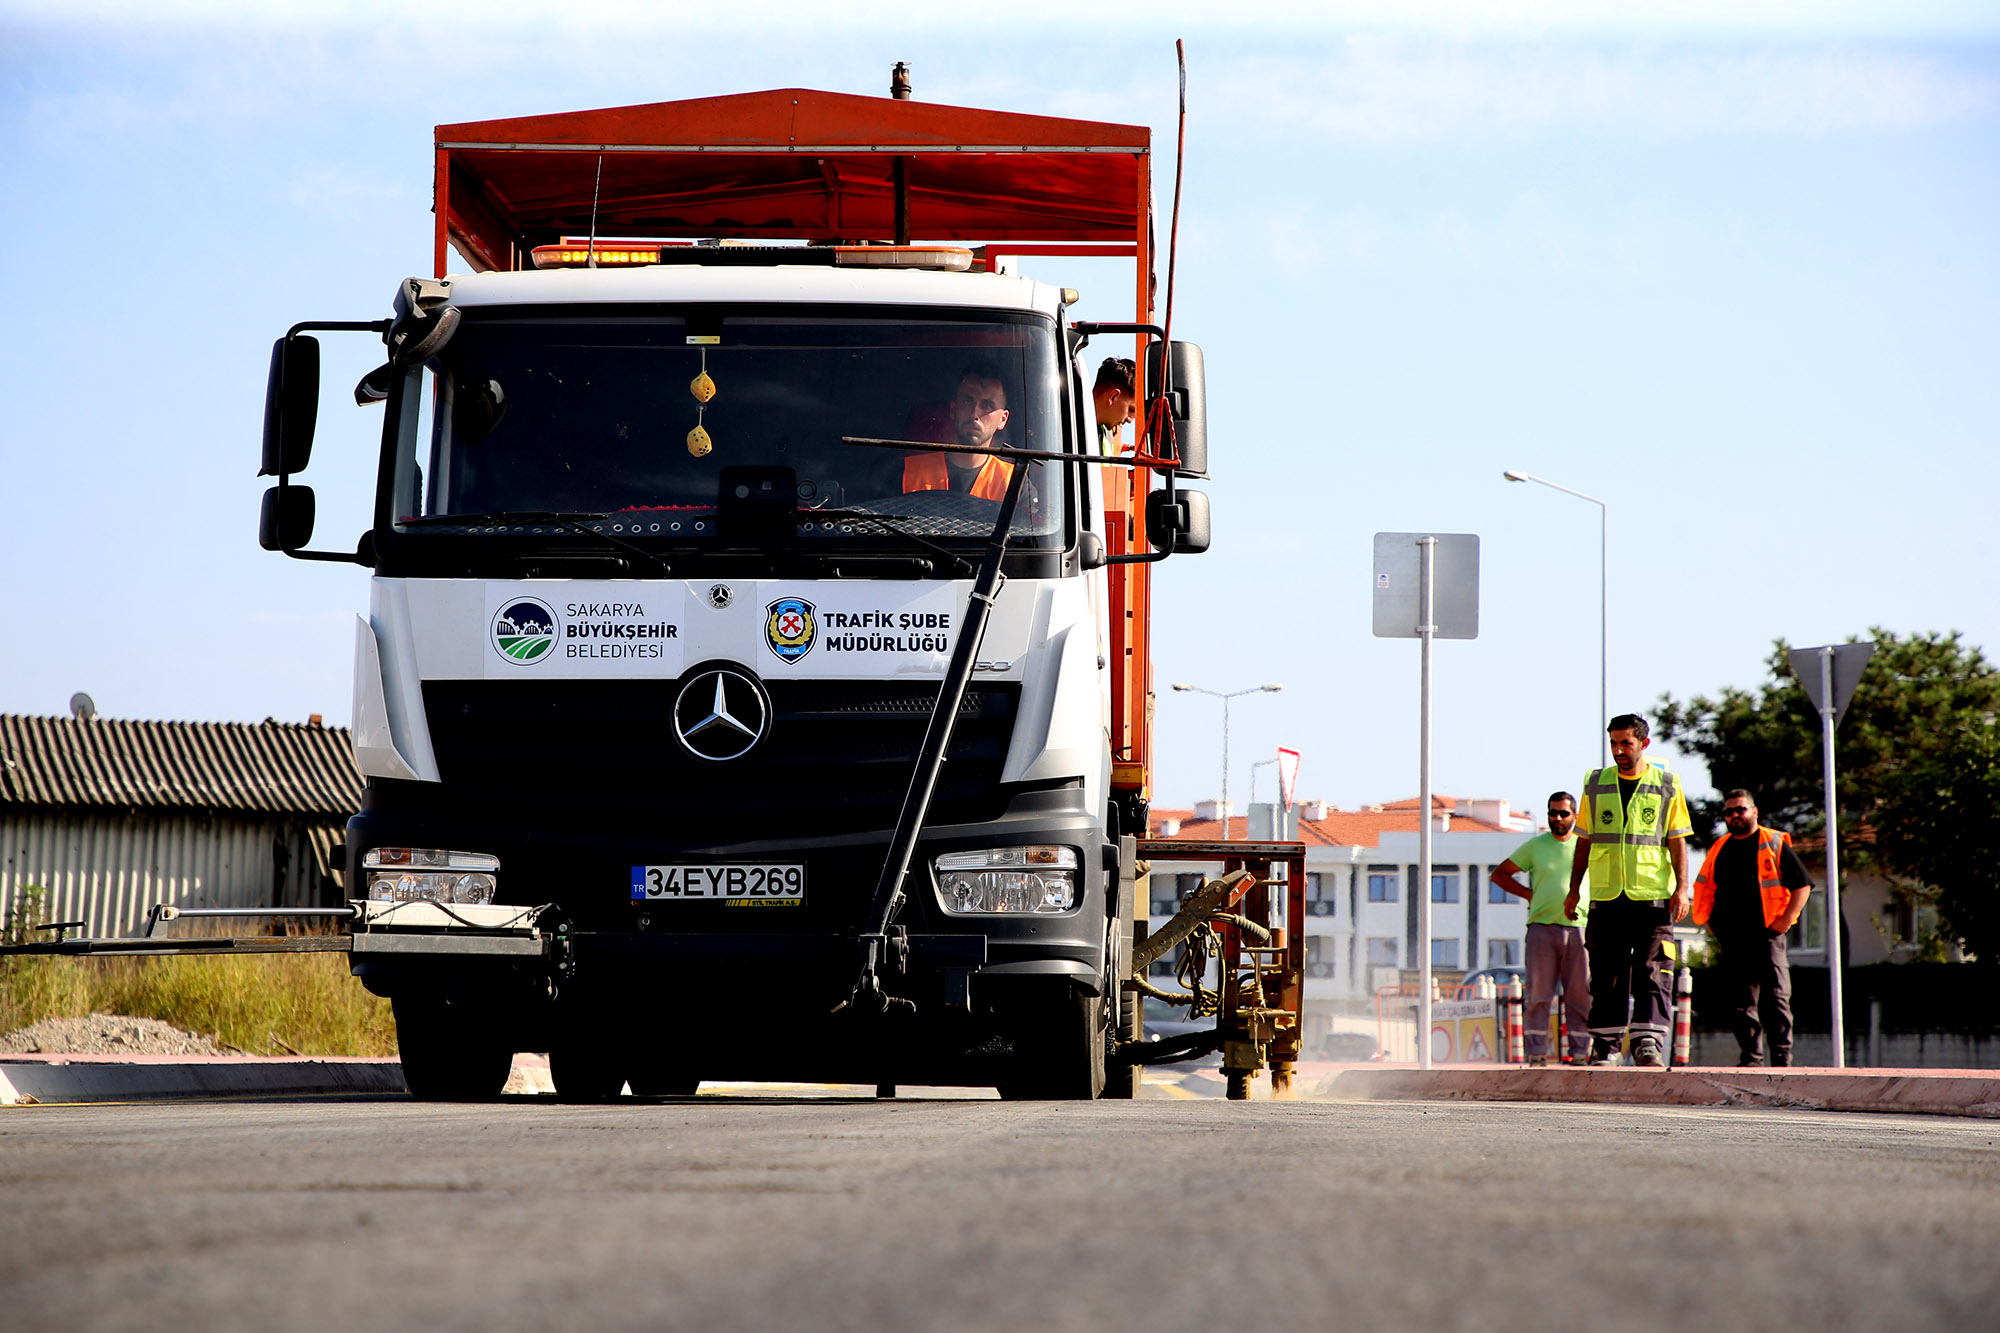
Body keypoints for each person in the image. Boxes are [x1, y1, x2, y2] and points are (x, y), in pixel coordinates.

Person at [1564, 713, 1693, 1067]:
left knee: (1653, 971)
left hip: (1652, 897)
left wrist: (1682, 889)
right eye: (1614, 743)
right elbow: (1584, 842)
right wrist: (1575, 890)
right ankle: (1606, 1046)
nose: (1619, 750)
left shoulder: (1667, 784)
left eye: (1626, 743)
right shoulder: (1595, 783)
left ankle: (1647, 1042)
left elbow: (1678, 841)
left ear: (1643, 744)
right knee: (1607, 973)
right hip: (1606, 898)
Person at [1692, 789, 1813, 1067]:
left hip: (1768, 935)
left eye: (1740, 809)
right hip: (1733, 939)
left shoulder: (1772, 842)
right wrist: (1711, 925)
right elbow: (1706, 889)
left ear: (1754, 811)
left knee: (1776, 999)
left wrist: (1786, 920)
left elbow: (1802, 885)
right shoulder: (1719, 848)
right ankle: (1751, 1058)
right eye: (1729, 811)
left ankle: (1781, 1059)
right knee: (1738, 1003)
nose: (1735, 815)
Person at [1490, 792, 1592, 1066]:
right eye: (1552, 813)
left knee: (1580, 993)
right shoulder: (1536, 846)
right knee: (1538, 994)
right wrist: (1528, 894)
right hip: (1541, 929)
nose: (1557, 818)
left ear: (1575, 816)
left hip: (1579, 929)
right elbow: (1499, 874)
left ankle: (1581, 1052)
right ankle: (1536, 1053)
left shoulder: (1586, 846)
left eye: (1563, 813)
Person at [903, 365, 1016, 499]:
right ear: (953, 409)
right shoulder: (907, 471)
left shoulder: (1014, 483)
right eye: (968, 401)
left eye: (987, 405)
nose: (974, 414)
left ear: (1003, 419)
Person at [1092, 356, 1137, 455]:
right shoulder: (1062, 422)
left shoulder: (1107, 437)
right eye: (1131, 410)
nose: (1130, 420)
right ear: (1113, 396)